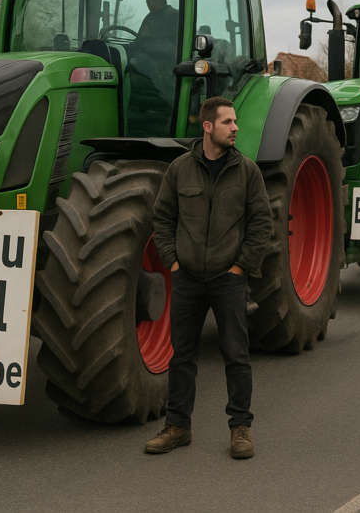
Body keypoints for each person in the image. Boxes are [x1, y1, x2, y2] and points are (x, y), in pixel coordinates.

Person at [146, 97, 273, 458]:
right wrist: (172, 262)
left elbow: (262, 223)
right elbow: (163, 218)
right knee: (181, 358)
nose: (235, 127)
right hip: (186, 279)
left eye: (235, 122)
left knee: (237, 356)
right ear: (207, 127)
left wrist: (241, 267)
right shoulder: (179, 169)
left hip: (227, 279)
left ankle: (240, 429)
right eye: (227, 122)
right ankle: (177, 427)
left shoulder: (247, 171)